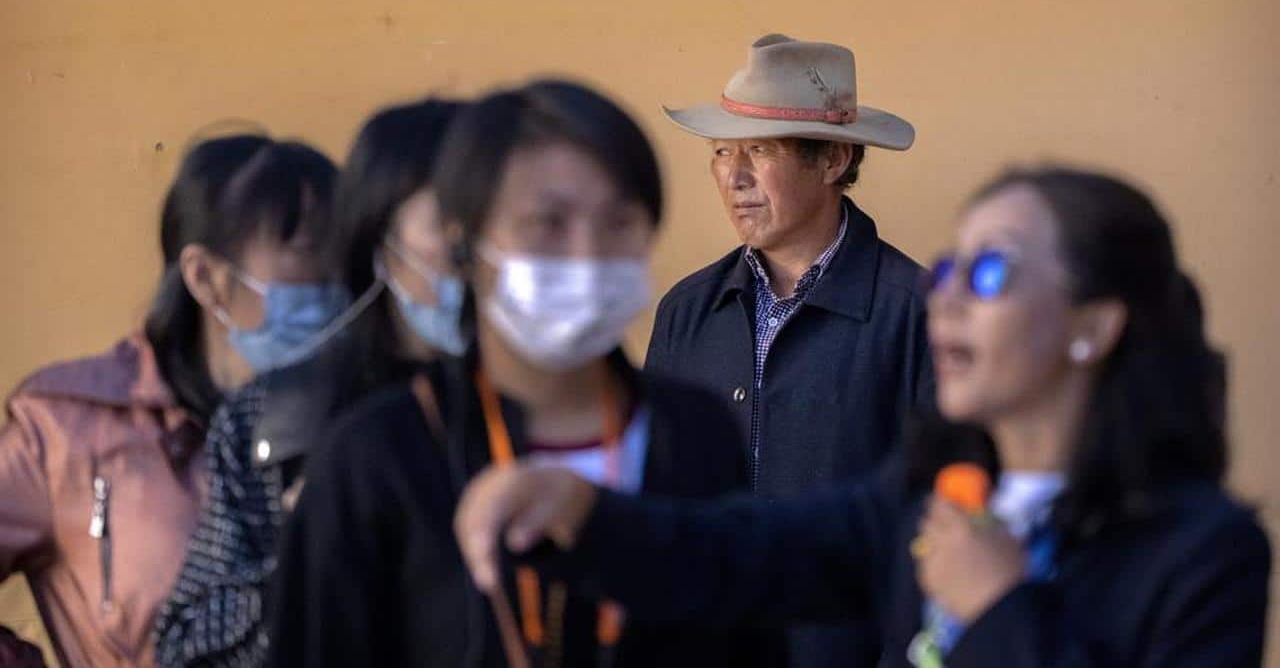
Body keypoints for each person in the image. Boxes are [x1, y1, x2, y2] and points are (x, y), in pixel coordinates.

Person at [456, 167, 1272, 667]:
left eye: (990, 272)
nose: (943, 297)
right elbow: (742, 550)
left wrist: (1001, 610)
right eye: (950, 266)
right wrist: (586, 514)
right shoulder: (925, 497)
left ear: (1095, 325)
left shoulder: (1204, 550)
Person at [269, 80, 768, 667]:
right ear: (466, 245)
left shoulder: (696, 436)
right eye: (546, 224)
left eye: (618, 222)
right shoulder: (376, 458)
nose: (586, 256)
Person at [0, 134, 343, 668]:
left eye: (343, 258)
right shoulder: (67, 428)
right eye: (307, 258)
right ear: (206, 278)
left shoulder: (363, 413)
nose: (334, 286)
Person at [646, 32, 932, 664]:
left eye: (760, 151)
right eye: (723, 152)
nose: (734, 177)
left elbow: (933, 524)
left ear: (832, 161)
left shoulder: (916, 314)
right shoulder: (687, 311)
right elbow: (656, 505)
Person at [151, 98, 465, 667]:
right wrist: (311, 555)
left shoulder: (591, 401)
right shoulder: (271, 419)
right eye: (451, 225)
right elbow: (187, 649)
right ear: (381, 240)